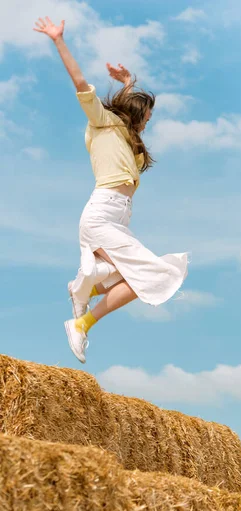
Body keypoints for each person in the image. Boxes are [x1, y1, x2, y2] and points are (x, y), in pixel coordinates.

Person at [33, 17, 188, 364]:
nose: (148, 122)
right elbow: (79, 81)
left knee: (138, 282)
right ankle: (81, 314)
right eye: (146, 116)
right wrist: (58, 40)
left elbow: (132, 110)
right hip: (103, 212)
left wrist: (129, 81)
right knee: (156, 275)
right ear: (134, 114)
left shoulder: (128, 140)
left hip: (117, 219)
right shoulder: (102, 121)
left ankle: (84, 290)